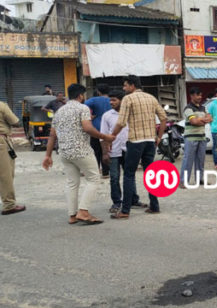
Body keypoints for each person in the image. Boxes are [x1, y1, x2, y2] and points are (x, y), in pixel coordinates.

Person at [42, 83, 114, 225]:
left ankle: (72, 215)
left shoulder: (60, 111)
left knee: (72, 183)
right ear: (81, 95)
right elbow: (87, 128)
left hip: (64, 152)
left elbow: (52, 135)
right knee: (94, 178)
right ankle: (84, 211)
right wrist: (105, 137)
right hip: (81, 150)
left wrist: (47, 155)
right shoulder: (83, 108)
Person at [110, 75, 167, 219]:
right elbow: (164, 118)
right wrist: (158, 137)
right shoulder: (151, 98)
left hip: (135, 141)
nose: (124, 88)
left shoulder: (128, 99)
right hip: (150, 141)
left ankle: (125, 211)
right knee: (150, 174)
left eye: (125, 85)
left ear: (132, 86)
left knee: (129, 175)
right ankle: (154, 206)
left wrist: (112, 136)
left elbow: (121, 122)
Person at [100, 90, 146, 213]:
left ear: (122, 100)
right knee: (114, 177)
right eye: (110, 100)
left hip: (129, 149)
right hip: (113, 151)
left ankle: (133, 200)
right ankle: (116, 202)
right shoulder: (107, 116)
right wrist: (104, 153)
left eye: (114, 100)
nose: (111, 102)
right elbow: (103, 135)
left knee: (130, 176)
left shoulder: (131, 114)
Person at [180, 87, 212, 186]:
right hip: (191, 138)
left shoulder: (203, 107)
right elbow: (193, 122)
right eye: (198, 95)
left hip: (202, 137)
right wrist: (203, 120)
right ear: (192, 96)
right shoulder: (188, 108)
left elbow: (210, 118)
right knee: (188, 160)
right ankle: (183, 181)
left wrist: (200, 120)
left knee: (200, 160)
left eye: (200, 95)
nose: (200, 97)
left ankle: (199, 179)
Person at [0, 101, 26, 215]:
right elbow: (15, 121)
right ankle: (9, 205)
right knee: (5, 175)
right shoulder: (1, 106)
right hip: (1, 141)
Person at [86, 84, 112, 178]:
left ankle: (96, 171)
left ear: (98, 92)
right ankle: (106, 172)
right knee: (107, 150)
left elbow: (83, 105)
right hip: (110, 129)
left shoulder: (94, 100)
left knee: (96, 151)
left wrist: (89, 116)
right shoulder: (112, 100)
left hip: (96, 129)